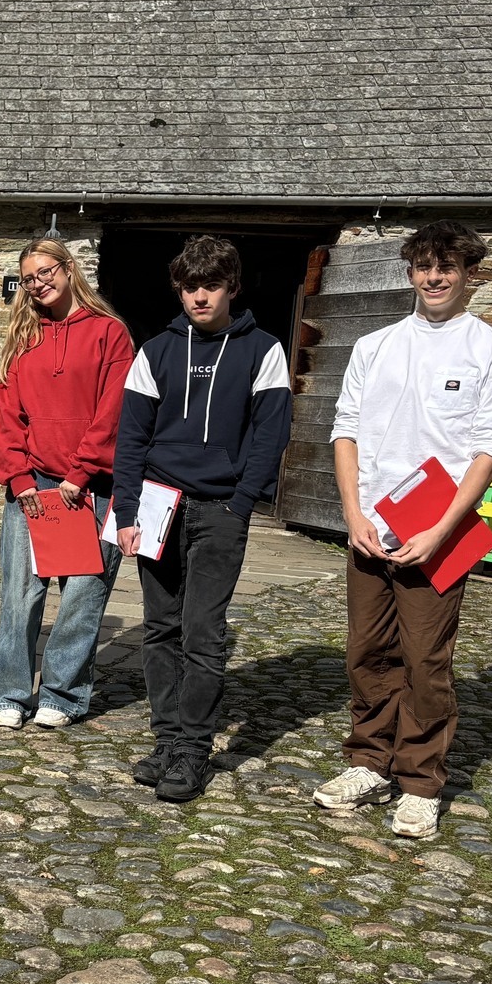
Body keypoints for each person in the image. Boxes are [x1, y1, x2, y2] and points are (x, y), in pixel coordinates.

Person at [316, 221, 492, 839]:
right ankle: (368, 761)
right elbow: (345, 430)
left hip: (439, 533)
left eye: (447, 267)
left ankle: (420, 782)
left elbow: (490, 449)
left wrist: (441, 530)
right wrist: (352, 514)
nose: (434, 278)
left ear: (469, 274)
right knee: (367, 653)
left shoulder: (491, 352)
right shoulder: (374, 346)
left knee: (427, 661)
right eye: (424, 267)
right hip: (370, 528)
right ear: (409, 272)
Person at [113, 235, 292, 803]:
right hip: (158, 505)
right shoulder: (156, 351)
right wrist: (126, 511)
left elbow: (270, 435)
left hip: (219, 510)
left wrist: (242, 504)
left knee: (203, 634)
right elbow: (131, 438)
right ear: (179, 289)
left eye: (211, 286)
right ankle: (166, 741)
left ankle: (193, 749)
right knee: (160, 628)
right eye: (190, 286)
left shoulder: (263, 349)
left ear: (232, 288)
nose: (199, 297)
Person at [0, 240, 135, 729]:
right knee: (20, 596)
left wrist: (80, 472)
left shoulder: (109, 332)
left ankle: (63, 693)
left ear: (69, 269)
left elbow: (114, 409)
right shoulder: (22, 337)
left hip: (93, 488)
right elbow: (7, 416)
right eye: (29, 278)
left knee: (82, 596)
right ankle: (9, 693)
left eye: (45, 272)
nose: (38, 283)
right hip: (32, 487)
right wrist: (19, 477)